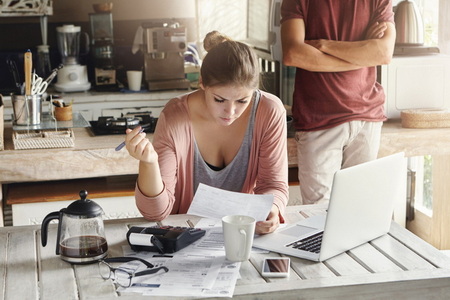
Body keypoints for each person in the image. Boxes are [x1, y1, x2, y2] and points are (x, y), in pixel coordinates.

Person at [125, 31, 289, 234]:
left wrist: (272, 209)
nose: (230, 112)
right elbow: (155, 213)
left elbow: (273, 185)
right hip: (184, 238)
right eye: (219, 100)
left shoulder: (269, 111)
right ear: (202, 83)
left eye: (242, 101)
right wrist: (148, 163)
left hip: (243, 234)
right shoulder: (175, 117)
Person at [280, 0, 396, 205]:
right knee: (319, 214)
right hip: (318, 119)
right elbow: (293, 54)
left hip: (366, 117)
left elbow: (383, 53)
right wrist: (360, 53)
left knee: (360, 207)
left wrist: (324, 46)